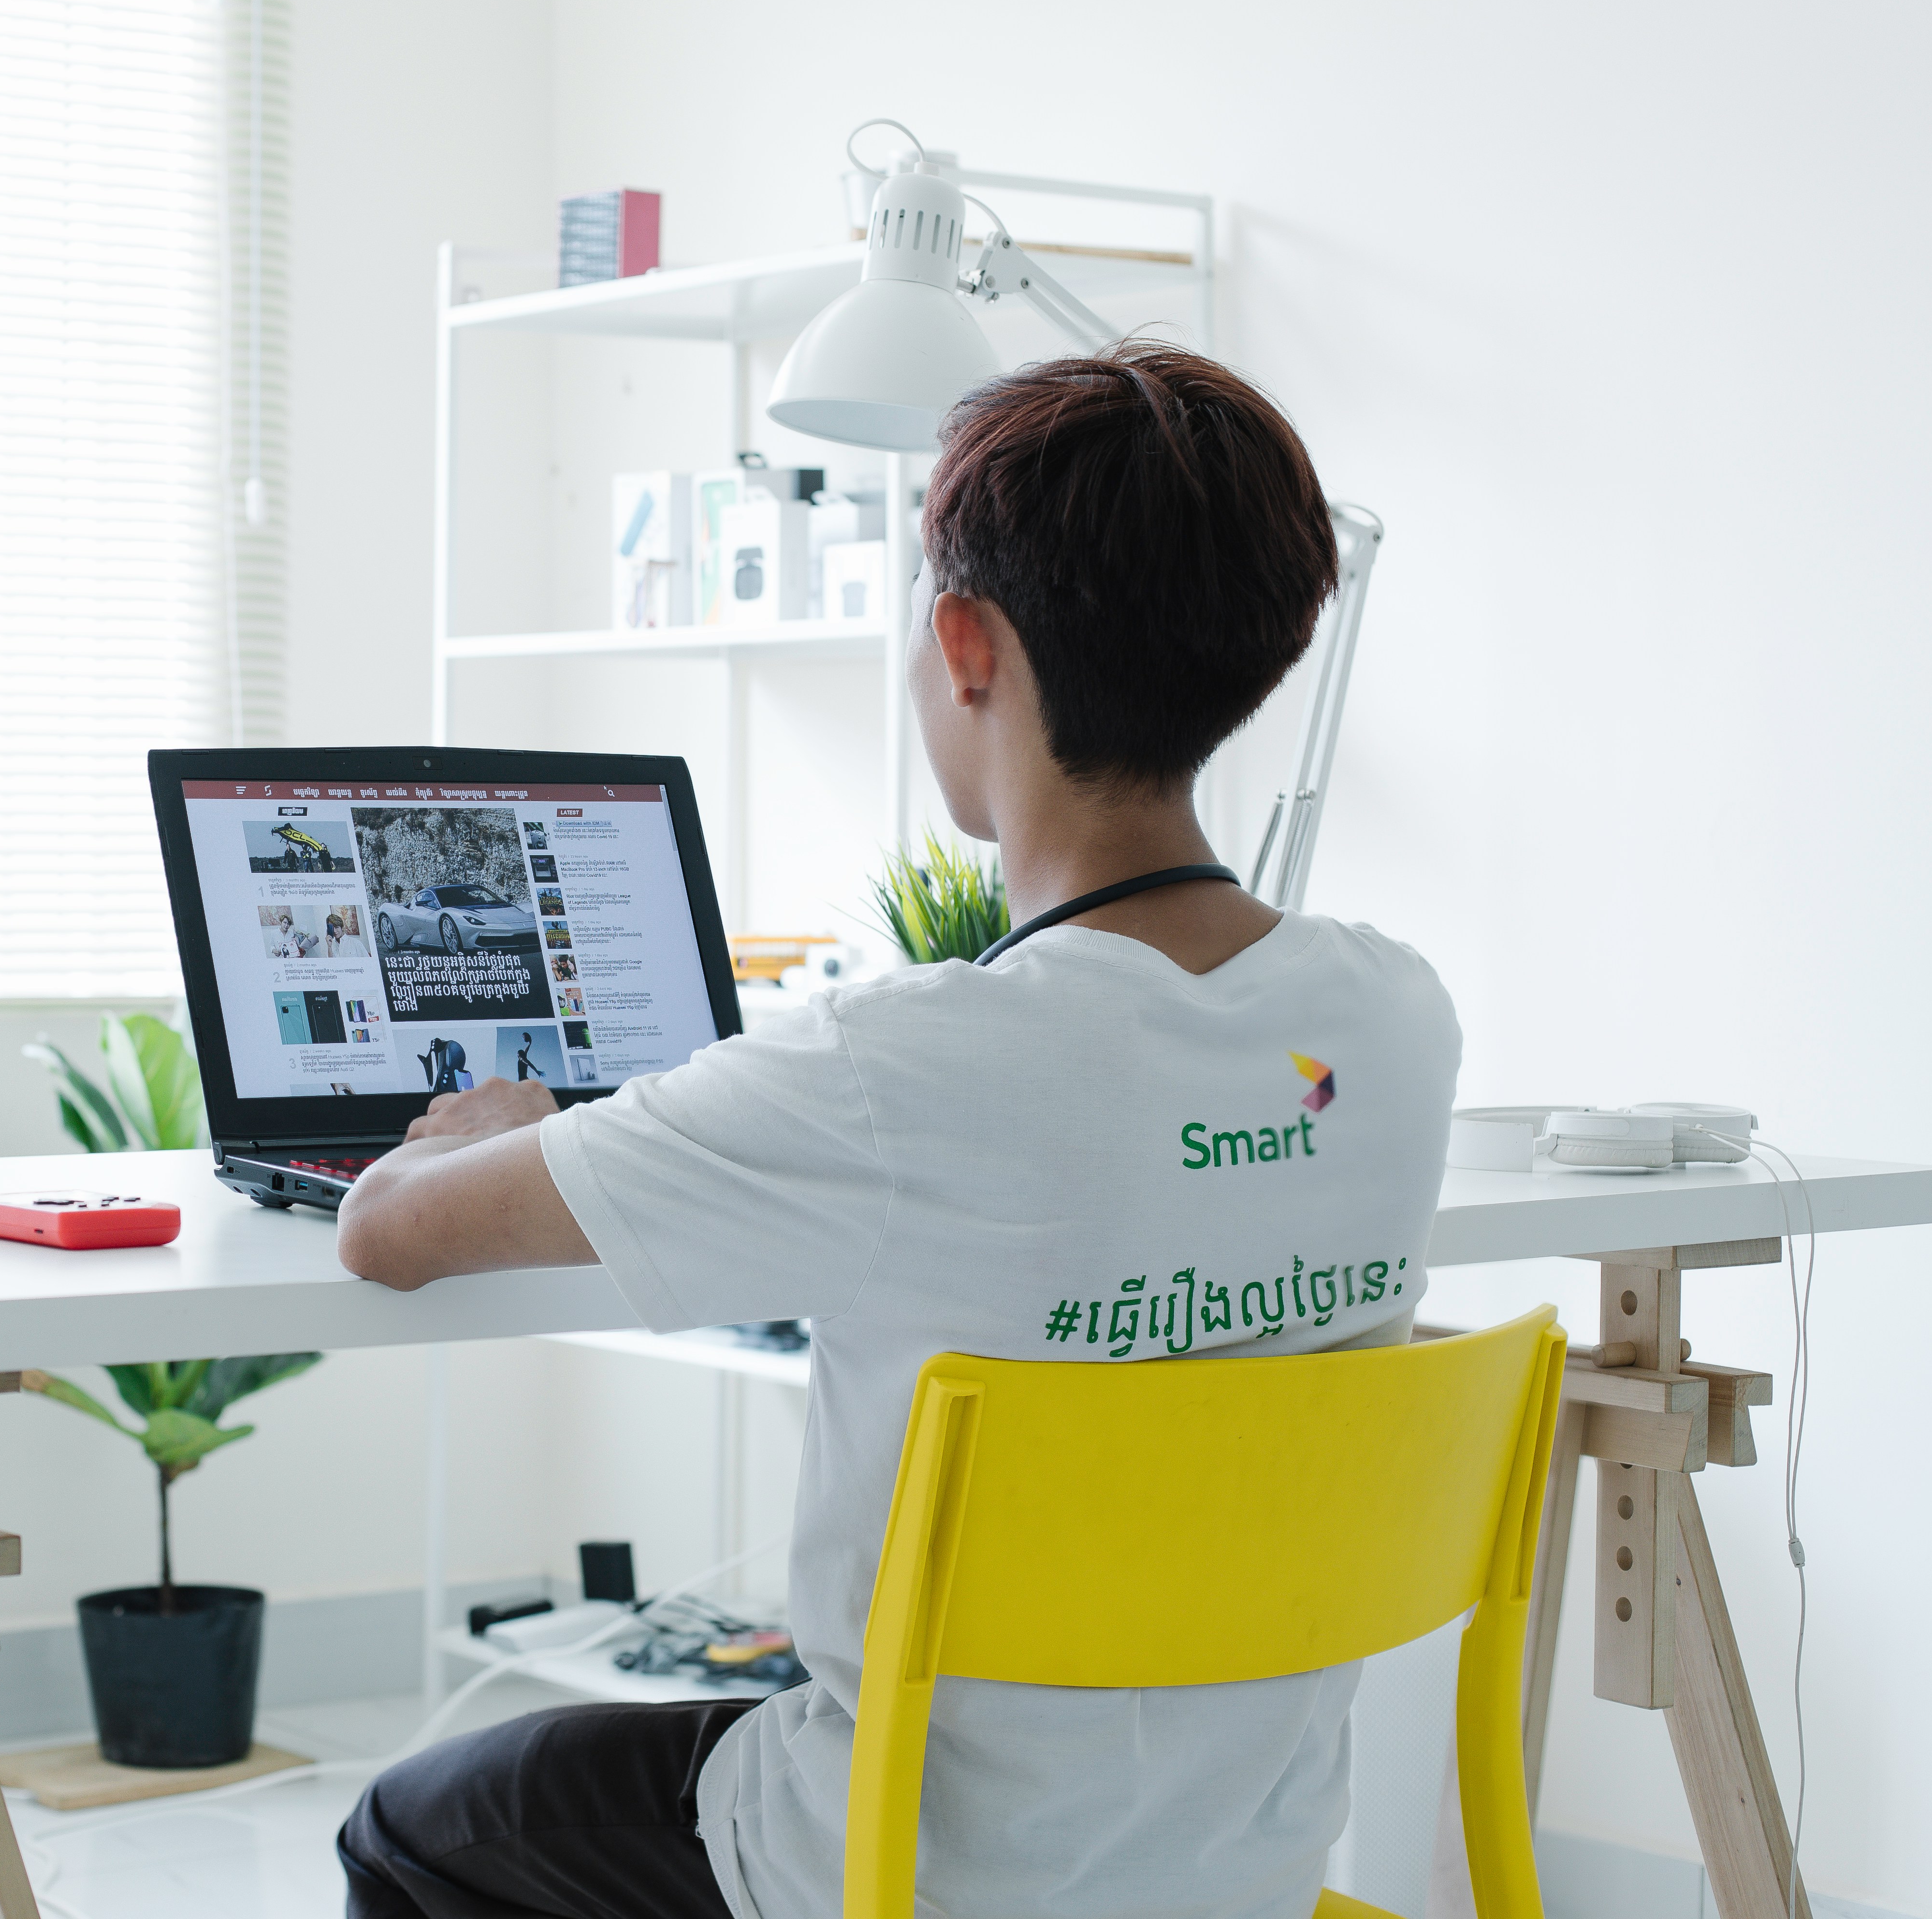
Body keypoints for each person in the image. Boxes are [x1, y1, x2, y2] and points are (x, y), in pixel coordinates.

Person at [331, 345, 1461, 1919]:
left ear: (965, 643)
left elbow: (387, 1238)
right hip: (1244, 1870)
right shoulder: (1397, 1024)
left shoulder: (902, 1059)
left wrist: (500, 1127)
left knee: (414, 1823)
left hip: (905, 1870)